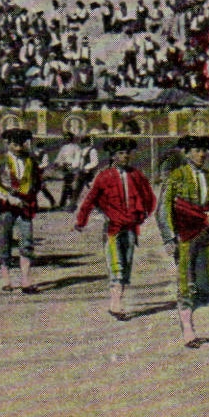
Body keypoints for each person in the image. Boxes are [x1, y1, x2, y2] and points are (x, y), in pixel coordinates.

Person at [155, 134, 209, 348]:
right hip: (184, 237)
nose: (202, 154)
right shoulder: (176, 176)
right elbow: (163, 208)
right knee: (186, 283)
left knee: (205, 287)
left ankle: (189, 318)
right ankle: (188, 330)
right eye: (196, 150)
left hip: (204, 236)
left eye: (204, 150)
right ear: (186, 153)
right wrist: (169, 237)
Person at [73, 136, 154, 318]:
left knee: (126, 264)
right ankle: (116, 305)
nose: (125, 156)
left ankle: (117, 301)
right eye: (120, 153)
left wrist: (141, 215)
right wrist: (81, 220)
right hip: (113, 228)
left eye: (127, 153)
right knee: (116, 265)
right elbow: (90, 199)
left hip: (131, 227)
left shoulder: (136, 175)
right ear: (112, 156)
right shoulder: (104, 176)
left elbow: (149, 197)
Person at [0, 128, 41, 294]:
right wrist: (8, 197)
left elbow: (37, 182)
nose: (18, 148)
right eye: (14, 144)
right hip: (6, 206)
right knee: (5, 240)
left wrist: (29, 196)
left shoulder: (30, 161)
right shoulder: (0, 161)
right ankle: (6, 280)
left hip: (25, 205)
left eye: (21, 144)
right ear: (8, 144)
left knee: (26, 241)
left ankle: (26, 280)